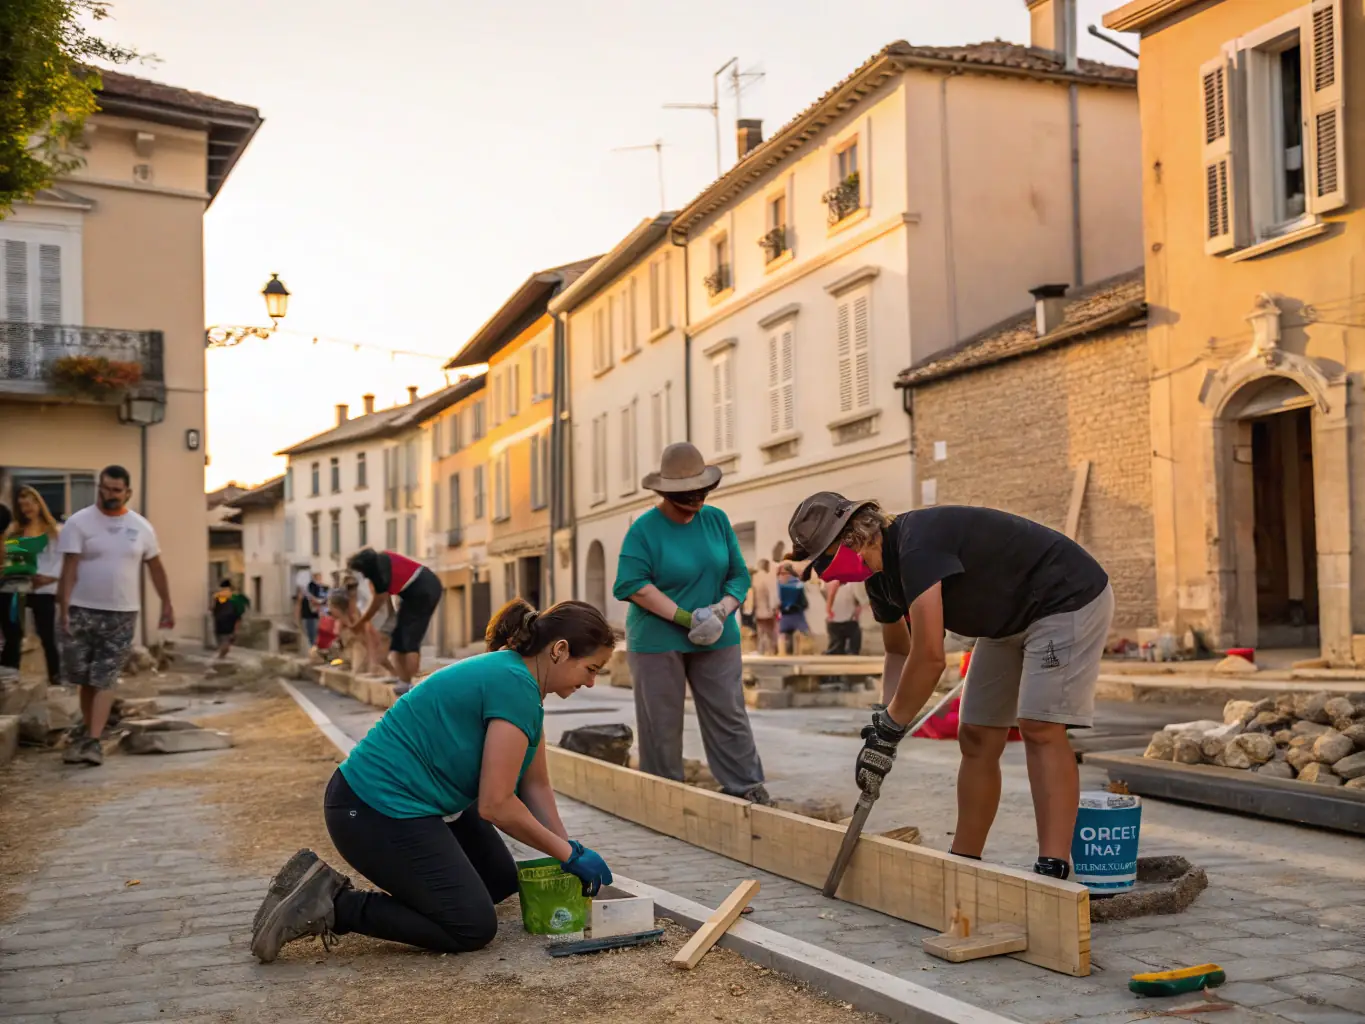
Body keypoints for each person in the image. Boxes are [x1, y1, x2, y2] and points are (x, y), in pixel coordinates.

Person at [249, 598, 617, 964]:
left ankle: (430, 894)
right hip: (370, 809)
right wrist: (568, 854)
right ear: (560, 650)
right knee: (470, 926)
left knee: (500, 879)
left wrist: (568, 850)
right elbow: (496, 804)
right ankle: (333, 903)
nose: (591, 681)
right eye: (590, 668)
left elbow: (534, 785)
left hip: (417, 803)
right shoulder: (514, 684)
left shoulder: (525, 684)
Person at [787, 492, 1114, 880]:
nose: (826, 576)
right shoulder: (879, 579)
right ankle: (963, 860)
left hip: (1064, 597)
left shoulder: (916, 547)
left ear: (851, 539)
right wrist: (883, 728)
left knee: (1040, 727)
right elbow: (898, 651)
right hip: (1003, 621)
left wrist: (892, 728)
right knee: (975, 734)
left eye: (824, 562)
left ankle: (1053, 865)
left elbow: (929, 656)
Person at [612, 442, 768, 804]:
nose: (696, 497)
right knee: (661, 723)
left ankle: (746, 790)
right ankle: (663, 795)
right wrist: (684, 617)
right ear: (665, 492)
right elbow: (632, 584)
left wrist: (721, 610)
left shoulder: (716, 520)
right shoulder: (644, 530)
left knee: (729, 712)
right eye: (685, 492)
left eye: (701, 489)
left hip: (718, 633)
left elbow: (738, 575)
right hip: (656, 639)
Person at [57, 466, 174, 767]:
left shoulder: (141, 528)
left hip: (122, 613)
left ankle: (94, 741)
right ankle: (88, 729)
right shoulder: (79, 523)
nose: (109, 495)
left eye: (116, 490)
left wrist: (167, 604)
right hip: (82, 609)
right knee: (84, 678)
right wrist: (64, 607)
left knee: (105, 677)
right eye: (105, 488)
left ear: (128, 493)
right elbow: (69, 568)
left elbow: (156, 568)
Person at [347, 548, 442, 693]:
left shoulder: (377, 573)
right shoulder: (382, 560)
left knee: (410, 640)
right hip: (411, 594)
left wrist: (361, 622)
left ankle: (415, 685)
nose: (362, 576)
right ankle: (404, 682)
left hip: (424, 590)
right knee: (398, 641)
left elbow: (378, 601)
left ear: (364, 567)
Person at [2, 487, 63, 681]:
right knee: (14, 634)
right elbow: (13, 559)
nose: (26, 508)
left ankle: (55, 675)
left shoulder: (53, 530)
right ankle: (10, 674)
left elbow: (62, 560)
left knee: (46, 635)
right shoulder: (15, 530)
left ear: (38, 503)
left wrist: (50, 577)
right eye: (21, 505)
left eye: (29, 503)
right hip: (19, 586)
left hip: (45, 588)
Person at [823, 578, 865, 656]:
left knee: (841, 641)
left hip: (842, 621)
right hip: (842, 621)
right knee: (853, 635)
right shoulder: (850, 585)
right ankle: (843, 649)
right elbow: (858, 603)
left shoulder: (849, 585)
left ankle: (839, 649)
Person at [776, 563, 810, 655]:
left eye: (784, 573)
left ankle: (784, 655)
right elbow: (804, 602)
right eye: (781, 573)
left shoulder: (778, 585)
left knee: (783, 636)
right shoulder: (798, 584)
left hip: (788, 615)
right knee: (802, 635)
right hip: (795, 615)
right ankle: (797, 654)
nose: (782, 575)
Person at [210, 579, 249, 659]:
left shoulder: (217, 596)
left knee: (222, 641)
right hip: (230, 621)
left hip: (219, 622)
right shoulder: (235, 597)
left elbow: (213, 609)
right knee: (227, 641)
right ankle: (220, 656)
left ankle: (220, 656)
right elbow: (241, 609)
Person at [750, 558, 778, 655]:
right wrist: (774, 608)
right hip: (767, 610)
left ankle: (761, 650)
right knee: (771, 632)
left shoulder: (754, 578)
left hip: (758, 610)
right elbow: (772, 595)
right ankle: (772, 650)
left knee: (761, 632)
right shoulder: (767, 577)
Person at [295, 572, 326, 649]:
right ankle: (314, 652)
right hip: (308, 616)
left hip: (315, 616)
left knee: (314, 636)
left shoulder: (314, 589)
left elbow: (318, 602)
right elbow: (299, 605)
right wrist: (297, 619)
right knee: (311, 636)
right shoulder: (307, 591)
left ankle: (315, 651)